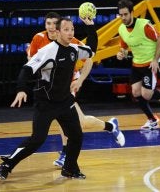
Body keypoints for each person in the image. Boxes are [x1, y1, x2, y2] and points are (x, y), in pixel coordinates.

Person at [0, 17, 99, 180]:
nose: (70, 32)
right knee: (37, 139)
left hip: (65, 101)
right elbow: (26, 69)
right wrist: (21, 89)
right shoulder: (48, 51)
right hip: (46, 102)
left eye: (72, 29)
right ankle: (7, 164)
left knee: (77, 135)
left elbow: (92, 50)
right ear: (57, 32)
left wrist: (91, 27)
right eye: (66, 29)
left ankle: (69, 168)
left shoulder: (74, 49)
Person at [26, 12, 125, 168]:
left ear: (60, 28)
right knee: (82, 122)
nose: (51, 27)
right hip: (50, 87)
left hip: (67, 84)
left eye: (54, 24)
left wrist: (80, 80)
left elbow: (90, 59)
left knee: (64, 118)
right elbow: (31, 62)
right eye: (48, 24)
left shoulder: (70, 41)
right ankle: (111, 126)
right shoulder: (38, 38)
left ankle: (65, 153)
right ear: (45, 25)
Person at [116, 0, 160, 131]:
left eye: (125, 14)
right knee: (135, 92)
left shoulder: (144, 26)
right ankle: (152, 120)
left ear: (132, 13)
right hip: (136, 64)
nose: (123, 18)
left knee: (146, 95)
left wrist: (155, 59)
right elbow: (124, 48)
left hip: (150, 64)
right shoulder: (121, 29)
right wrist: (121, 54)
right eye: (121, 15)